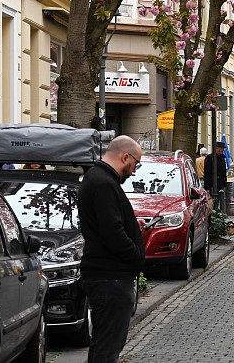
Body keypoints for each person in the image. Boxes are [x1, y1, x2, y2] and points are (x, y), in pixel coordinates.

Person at [78, 136, 145, 362]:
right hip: (110, 278)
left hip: (105, 276)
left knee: (102, 344)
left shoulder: (98, 179)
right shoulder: (104, 183)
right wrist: (136, 256)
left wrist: (133, 227)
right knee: (107, 349)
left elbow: (109, 224)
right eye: (135, 164)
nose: (134, 171)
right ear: (125, 157)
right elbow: (111, 232)